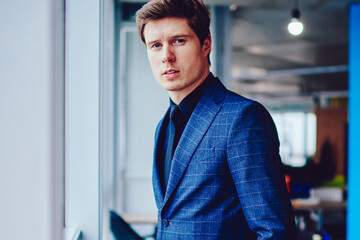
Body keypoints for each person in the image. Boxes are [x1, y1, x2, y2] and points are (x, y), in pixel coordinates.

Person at [136, 0, 296, 239]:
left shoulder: (242, 118)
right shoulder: (164, 126)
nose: (166, 56)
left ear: (206, 44)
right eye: (156, 45)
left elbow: (275, 232)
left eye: (178, 41)